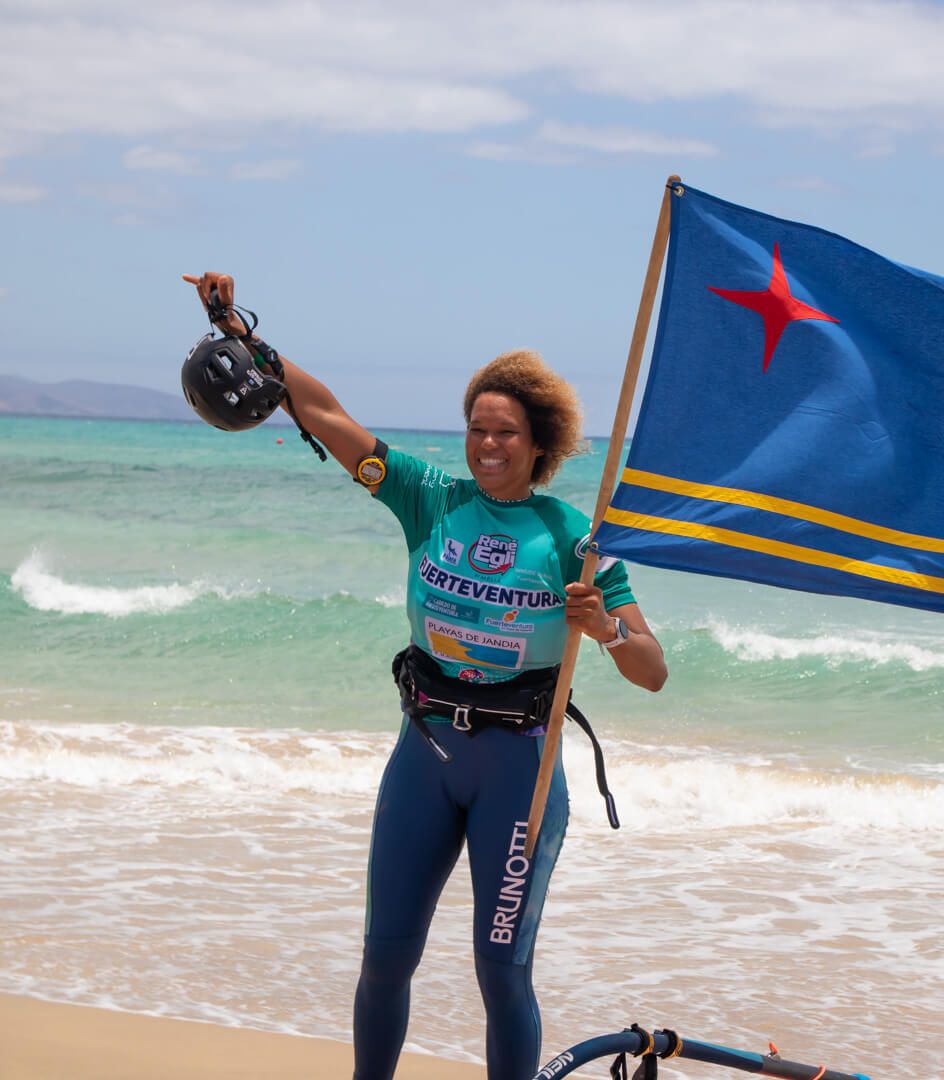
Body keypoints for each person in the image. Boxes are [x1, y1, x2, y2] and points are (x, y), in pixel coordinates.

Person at [182, 273, 668, 1080]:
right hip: (426, 756)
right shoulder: (429, 501)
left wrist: (607, 629)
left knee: (500, 973)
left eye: (504, 432)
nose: (486, 445)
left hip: (522, 770)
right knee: (385, 956)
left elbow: (651, 671)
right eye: (477, 429)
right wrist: (242, 334)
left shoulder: (577, 537)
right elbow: (327, 416)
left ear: (539, 444)